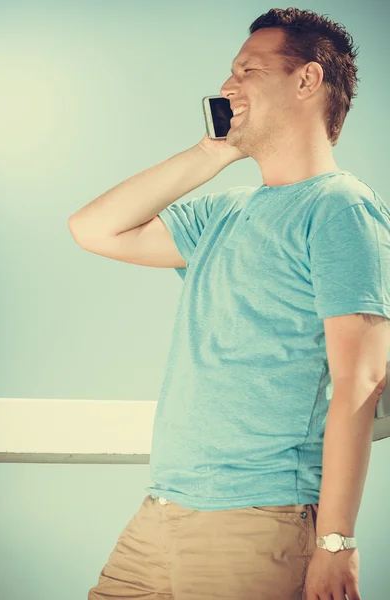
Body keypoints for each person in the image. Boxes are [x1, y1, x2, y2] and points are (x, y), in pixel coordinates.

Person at [68, 7, 390, 600]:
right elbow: (94, 229)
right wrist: (216, 151)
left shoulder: (341, 207)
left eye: (248, 70)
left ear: (307, 80)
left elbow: (361, 380)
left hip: (256, 517)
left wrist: (336, 542)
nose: (227, 85)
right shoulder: (223, 212)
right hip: (162, 512)